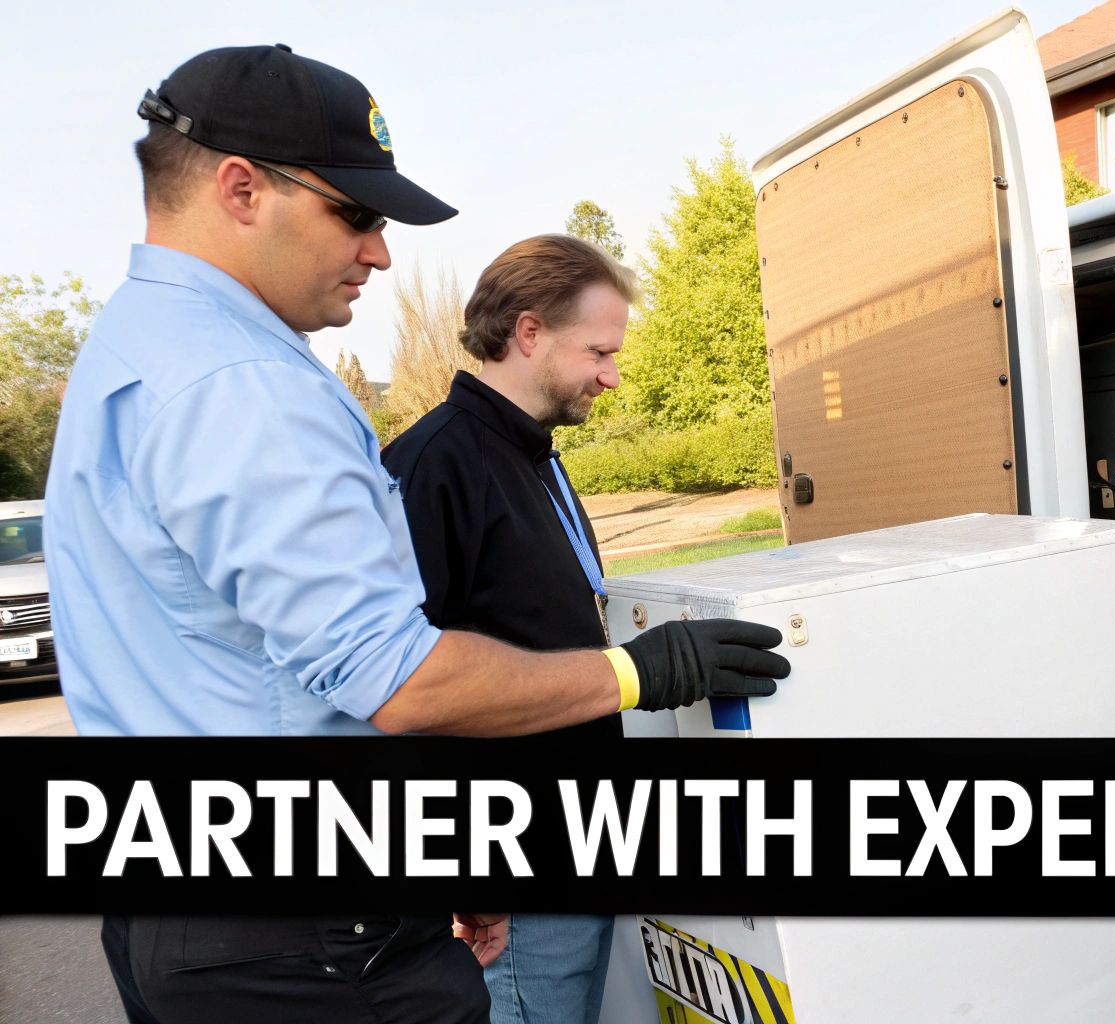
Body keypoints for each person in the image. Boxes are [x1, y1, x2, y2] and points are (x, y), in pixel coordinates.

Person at [44, 45, 789, 1024]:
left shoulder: (136, 346)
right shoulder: (244, 384)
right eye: (355, 213)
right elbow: (398, 678)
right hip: (309, 944)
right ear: (239, 188)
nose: (381, 251)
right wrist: (636, 674)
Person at [383, 233, 637, 1024]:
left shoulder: (536, 456)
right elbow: (403, 691)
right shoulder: (433, 467)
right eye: (598, 349)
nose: (611, 373)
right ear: (528, 332)